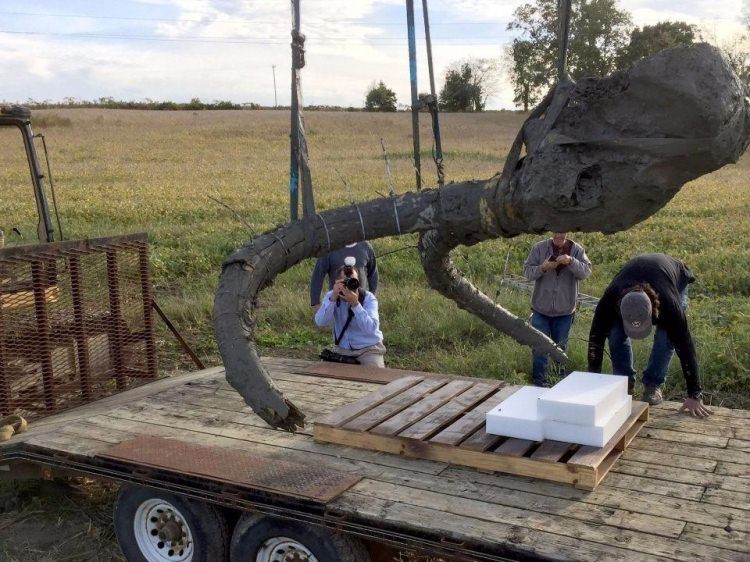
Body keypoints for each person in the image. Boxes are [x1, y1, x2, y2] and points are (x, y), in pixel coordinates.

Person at [587, 253, 712, 417]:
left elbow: (685, 345)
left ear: (653, 311)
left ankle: (653, 385)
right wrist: (591, 383)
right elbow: (595, 341)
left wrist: (694, 394)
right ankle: (624, 382)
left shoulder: (669, 305)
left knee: (666, 337)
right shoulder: (609, 301)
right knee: (615, 332)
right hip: (633, 276)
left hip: (673, 277)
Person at [523, 232, 592, 387]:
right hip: (540, 309)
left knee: (560, 349)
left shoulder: (577, 250)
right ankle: (539, 383)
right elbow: (527, 272)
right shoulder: (539, 248)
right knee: (540, 347)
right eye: (556, 232)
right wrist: (543, 267)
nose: (559, 236)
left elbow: (586, 272)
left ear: (568, 233)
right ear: (551, 232)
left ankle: (557, 383)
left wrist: (571, 261)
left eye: (562, 233)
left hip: (565, 311)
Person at [314, 263, 386, 367]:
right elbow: (320, 322)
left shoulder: (368, 298)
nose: (350, 285)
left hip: (368, 349)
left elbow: (371, 329)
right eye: (345, 282)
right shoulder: (332, 296)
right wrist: (333, 299)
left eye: (353, 281)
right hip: (343, 350)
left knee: (374, 376)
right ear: (337, 282)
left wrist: (356, 305)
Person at [310, 242, 378, 312]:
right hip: (337, 304)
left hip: (361, 303)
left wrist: (372, 298)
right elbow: (318, 276)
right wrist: (315, 302)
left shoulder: (366, 246)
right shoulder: (329, 248)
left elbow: (373, 273)